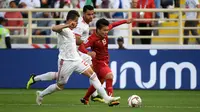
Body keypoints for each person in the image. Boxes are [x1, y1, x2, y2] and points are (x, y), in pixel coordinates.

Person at [35, 10, 120, 106]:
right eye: (75, 21)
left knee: (93, 76)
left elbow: (79, 42)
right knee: (60, 86)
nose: (76, 23)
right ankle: (41, 94)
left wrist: (86, 46)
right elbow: (54, 28)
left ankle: (107, 98)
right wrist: (67, 25)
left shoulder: (72, 31)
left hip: (77, 59)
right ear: (70, 20)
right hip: (66, 61)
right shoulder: (64, 29)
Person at [26, 5, 104, 103]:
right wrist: (87, 46)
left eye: (93, 14)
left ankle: (94, 94)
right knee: (60, 84)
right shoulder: (74, 27)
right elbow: (58, 30)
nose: (92, 16)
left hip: (76, 56)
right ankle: (38, 87)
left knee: (92, 71)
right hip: (69, 56)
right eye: (89, 14)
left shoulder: (83, 25)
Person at [78, 18, 134, 106]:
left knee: (99, 82)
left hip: (105, 61)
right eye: (104, 30)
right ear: (98, 29)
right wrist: (88, 52)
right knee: (110, 76)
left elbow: (114, 24)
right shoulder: (92, 39)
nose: (106, 32)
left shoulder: (105, 30)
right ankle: (110, 98)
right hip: (98, 62)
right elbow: (81, 47)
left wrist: (125, 21)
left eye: (107, 30)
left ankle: (85, 98)